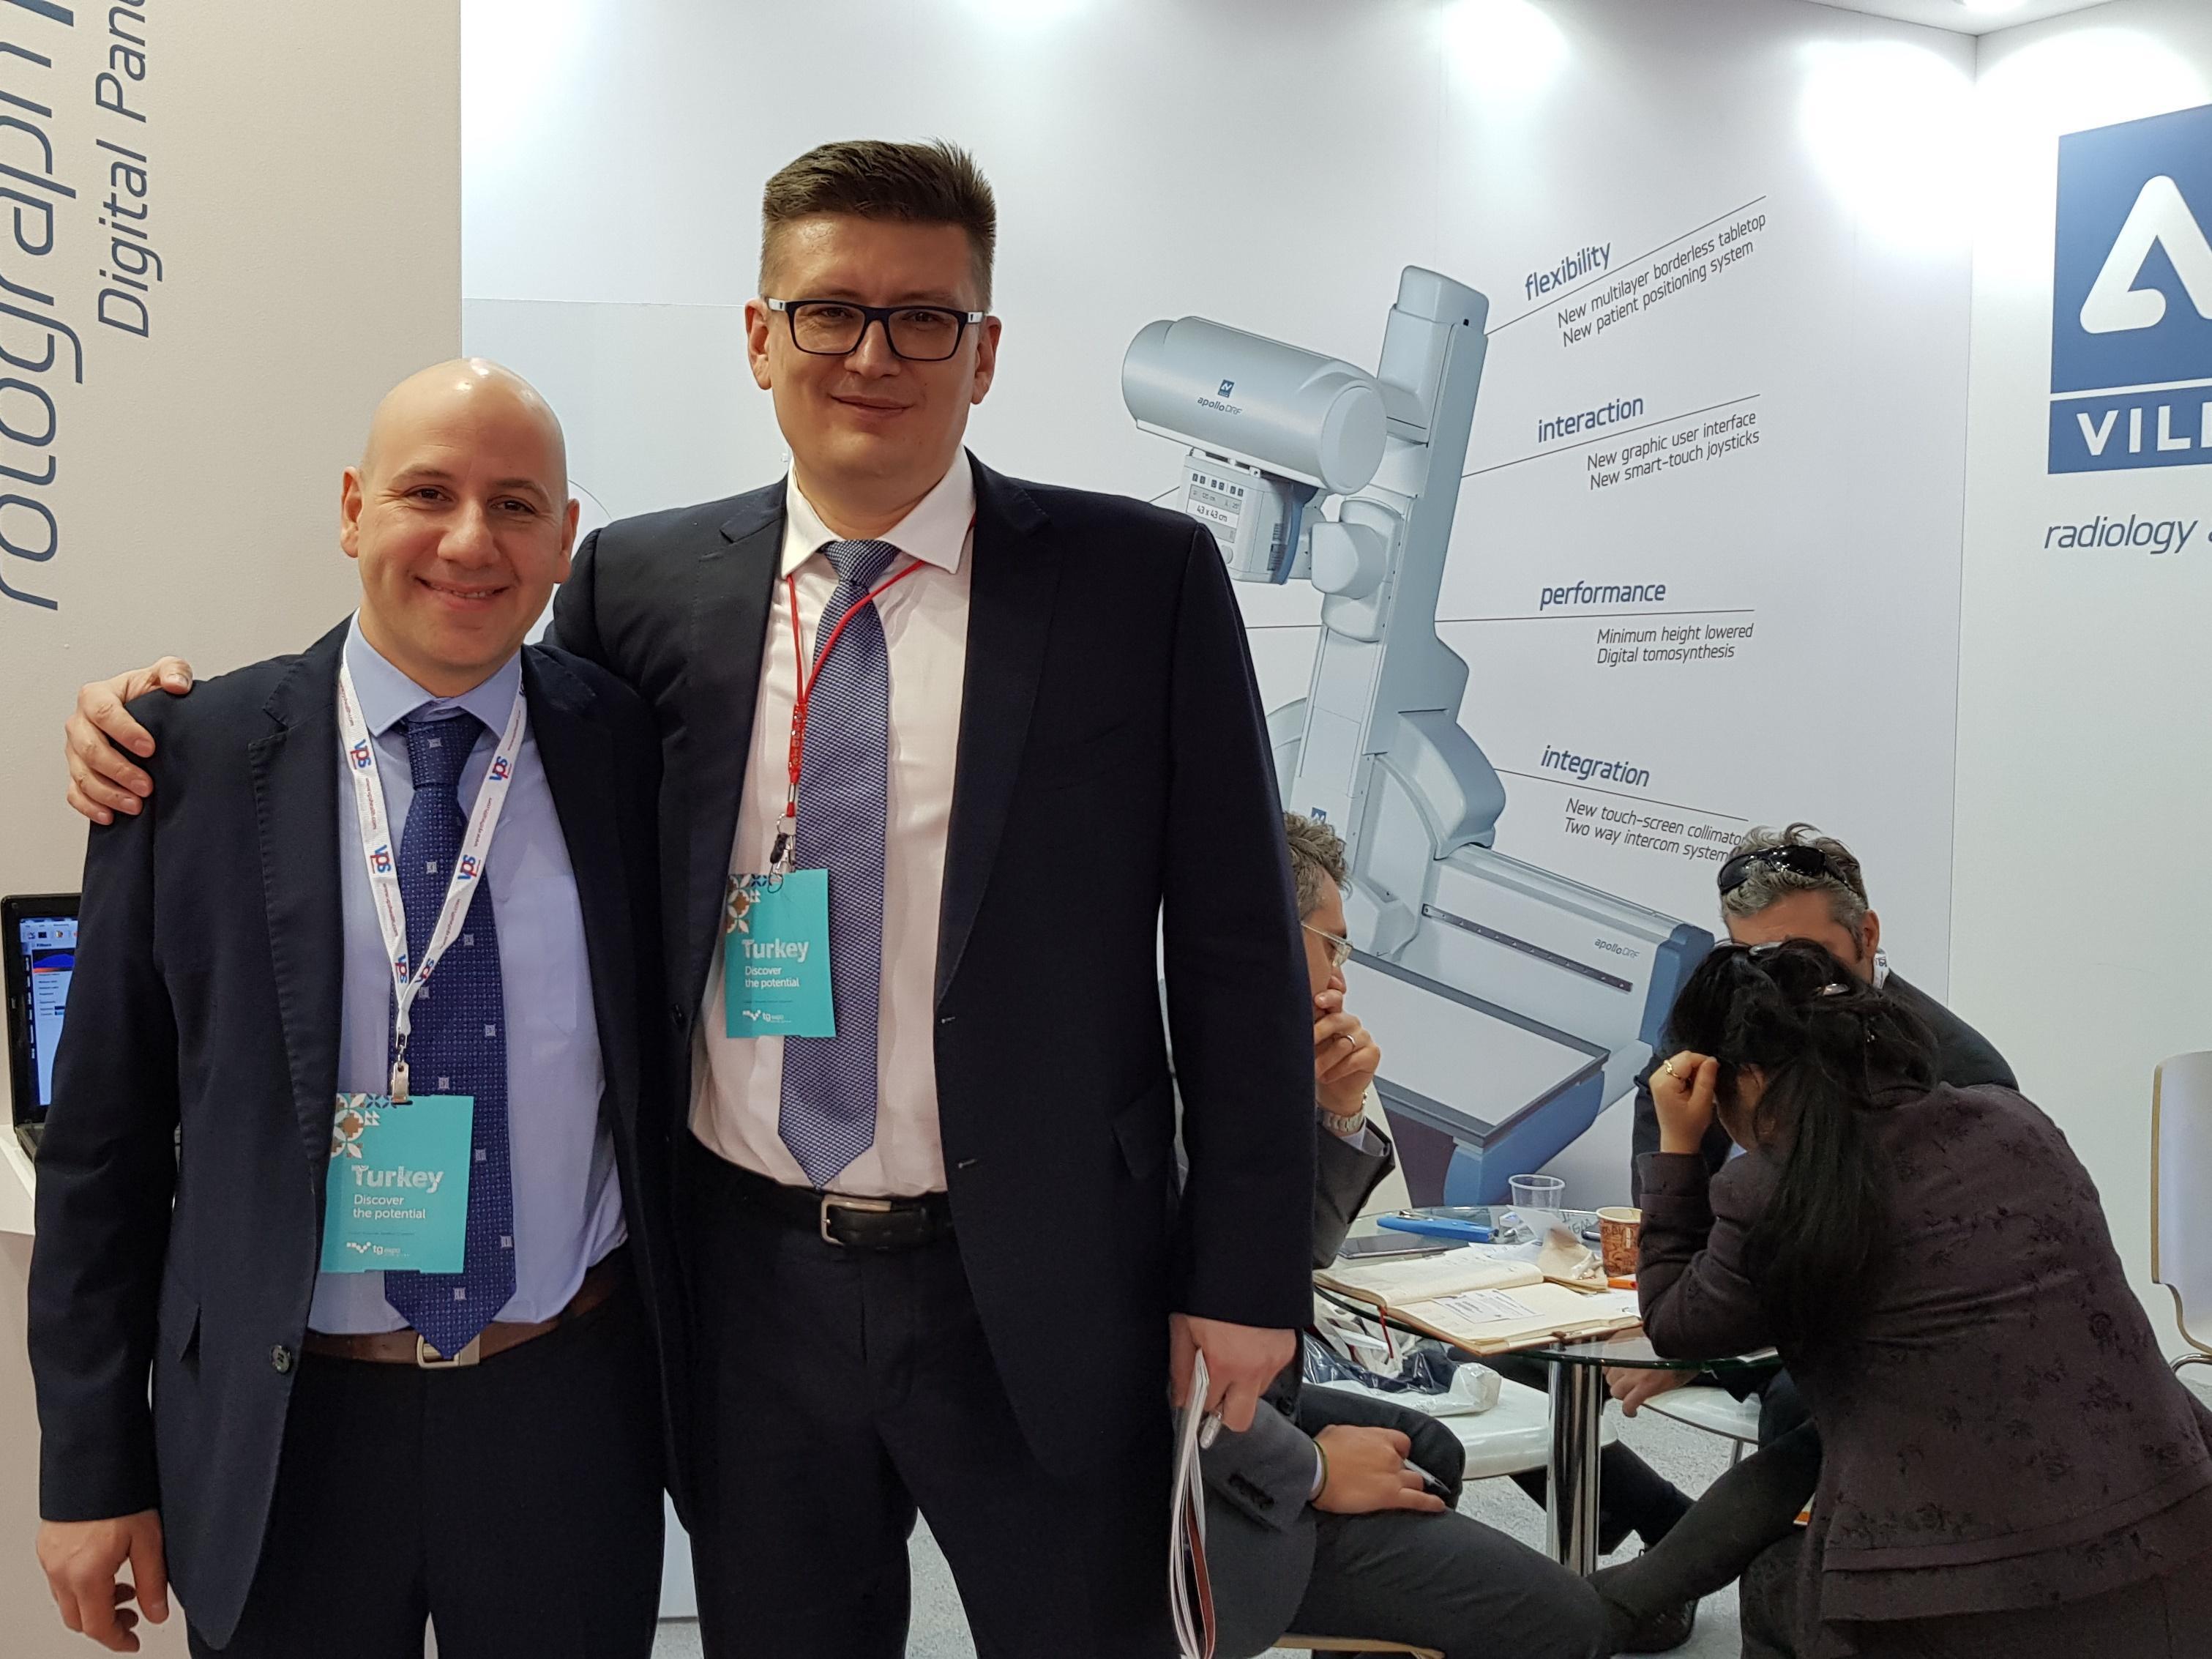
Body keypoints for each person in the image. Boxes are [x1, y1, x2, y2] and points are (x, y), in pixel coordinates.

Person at [60, 141, 1313, 1657]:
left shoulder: (1139, 580)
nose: (871, 354)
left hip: (1048, 1278)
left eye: (923, 318)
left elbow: (1239, 951)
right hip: (748, 1286)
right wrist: (157, 723)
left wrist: (1245, 1271)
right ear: (760, 337)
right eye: (828, 311)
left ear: (983, 354)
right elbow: (441, 697)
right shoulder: (642, 584)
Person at [29, 361, 681, 1658]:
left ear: (562, 538)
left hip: (564, 1409)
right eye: (426, 493)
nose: (469, 541)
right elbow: (100, 1147)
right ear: (351, 508)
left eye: (515, 505)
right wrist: (89, 1465)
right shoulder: (188, 760)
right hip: (290, 1429)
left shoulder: (626, 745)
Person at [1633, 939, 2212, 1658]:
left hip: (1959, 1602)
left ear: (1741, 1078)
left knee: (1774, 1578)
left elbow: (1676, 1324)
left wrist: (1677, 1149)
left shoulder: (1774, 1189)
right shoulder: (2014, 1121)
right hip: (2180, 1538)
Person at [1588, 824, 2019, 1649]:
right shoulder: (1722, 1015)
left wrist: (1700, 1338)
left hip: (1869, 1332)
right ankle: (1654, 1535)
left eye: (1805, 957)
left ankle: (1710, 1583)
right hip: (1737, 1286)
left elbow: (1899, 1284)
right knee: (1512, 1358)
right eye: (1752, 956)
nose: (1778, 984)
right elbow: (1666, 1139)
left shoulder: (1964, 1074)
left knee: (1807, 1401)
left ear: (1867, 936)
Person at [1200, 816, 1609, 1659]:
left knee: (1429, 1450)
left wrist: (1335, 1113)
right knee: (1568, 1623)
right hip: (1181, 1475)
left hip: (1237, 1397)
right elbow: (1139, 1375)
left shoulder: (1241, 1056)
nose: (1342, 977)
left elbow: (1290, 1260)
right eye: (1334, 946)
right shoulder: (1156, 1084)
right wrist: (1312, 1469)